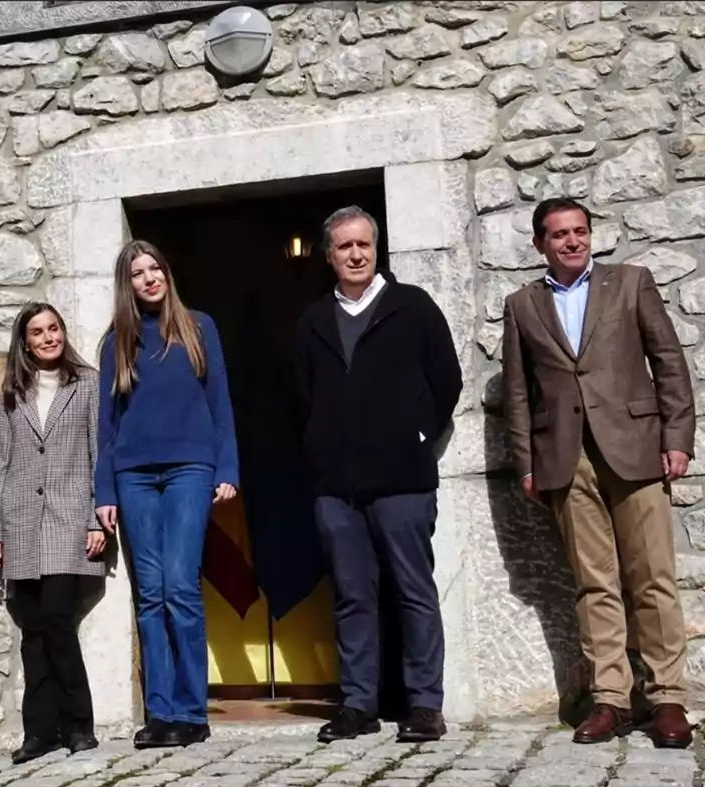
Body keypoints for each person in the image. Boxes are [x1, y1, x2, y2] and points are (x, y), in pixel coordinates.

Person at [502, 198, 695, 748]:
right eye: (559, 234)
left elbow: (669, 364)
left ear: (591, 236)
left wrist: (677, 440)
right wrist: (525, 467)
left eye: (580, 231)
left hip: (636, 450)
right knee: (594, 584)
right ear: (540, 243)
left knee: (653, 577)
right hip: (566, 459)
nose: (571, 241)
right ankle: (609, 698)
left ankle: (667, 700)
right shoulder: (522, 305)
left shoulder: (631, 283)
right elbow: (518, 393)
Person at [295, 206, 462, 744]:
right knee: (351, 595)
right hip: (336, 486)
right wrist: (320, 448)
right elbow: (301, 398)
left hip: (403, 480)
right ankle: (359, 704)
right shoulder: (313, 321)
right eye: (344, 246)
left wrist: (417, 435)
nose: (356, 254)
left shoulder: (412, 307)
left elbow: (448, 380)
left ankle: (424, 704)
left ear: (376, 247)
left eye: (364, 244)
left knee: (414, 590)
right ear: (329, 256)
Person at [94, 239, 239, 749]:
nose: (149, 278)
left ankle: (192, 712)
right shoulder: (115, 344)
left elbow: (219, 400)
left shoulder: (200, 328)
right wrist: (104, 490)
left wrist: (228, 467)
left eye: (155, 268)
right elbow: (106, 426)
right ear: (127, 284)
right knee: (149, 595)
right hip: (133, 476)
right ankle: (160, 714)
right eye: (138, 273)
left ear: (167, 274)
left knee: (180, 586)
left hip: (190, 471)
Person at [0, 302, 107, 764]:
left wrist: (98, 517)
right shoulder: (15, 390)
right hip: (20, 522)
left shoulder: (88, 384)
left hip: (69, 519)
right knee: (31, 629)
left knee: (57, 619)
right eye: (38, 332)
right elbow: (2, 461)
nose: (49, 337)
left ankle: (78, 725)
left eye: (54, 328)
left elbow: (100, 453)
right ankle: (39, 732)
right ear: (26, 342)